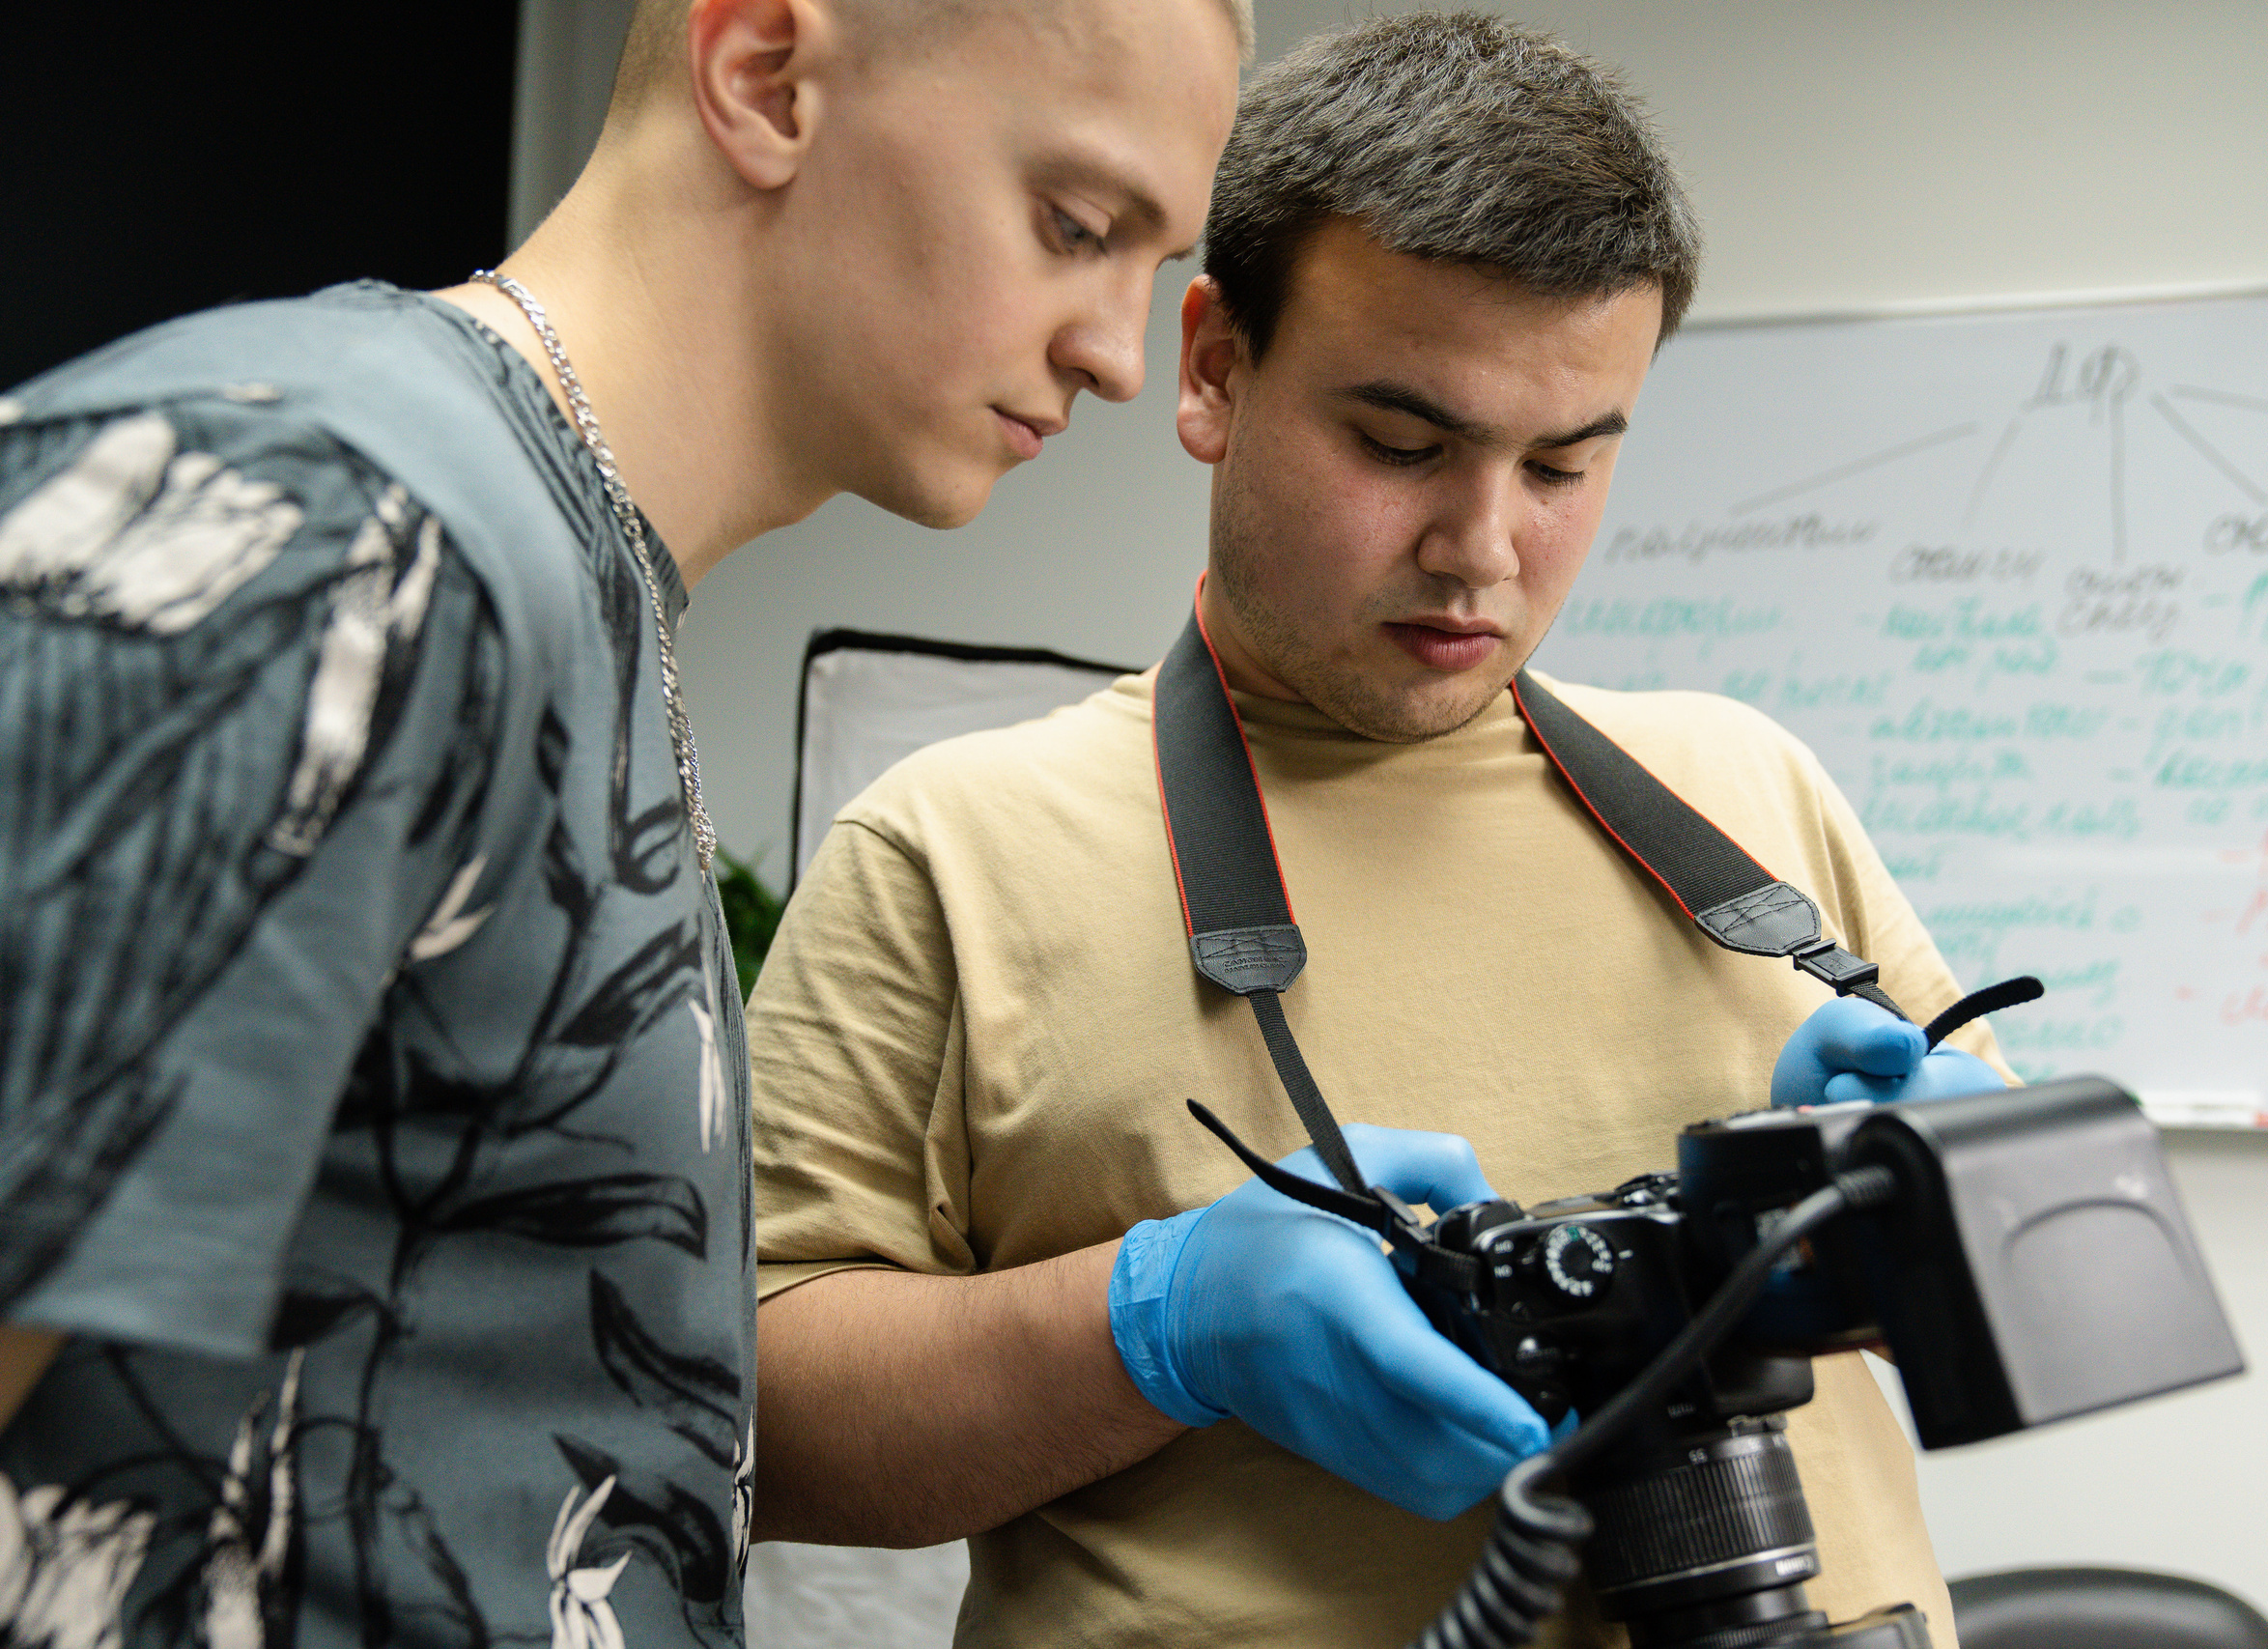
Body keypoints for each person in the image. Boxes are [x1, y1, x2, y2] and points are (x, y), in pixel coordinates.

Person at [746, 13, 2008, 1647]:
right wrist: (1156, 1326)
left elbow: (2005, 1316)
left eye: (1563, 463)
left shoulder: (1743, 795)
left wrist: (1931, 1189)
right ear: (1212, 365)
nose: (1482, 547)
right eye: (1402, 446)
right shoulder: (956, 850)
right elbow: (747, 1421)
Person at [0, 0, 1241, 1644]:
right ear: (766, 78)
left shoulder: (570, 578)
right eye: (1078, 228)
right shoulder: (334, 513)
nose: (1116, 351)